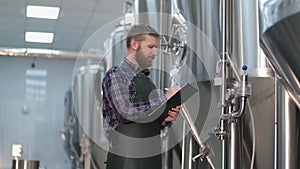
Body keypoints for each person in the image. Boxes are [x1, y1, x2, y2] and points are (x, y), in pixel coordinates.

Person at [101, 24, 181, 169]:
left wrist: (165, 118)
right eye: (150, 47)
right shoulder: (116, 75)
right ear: (134, 44)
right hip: (126, 162)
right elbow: (126, 111)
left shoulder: (148, 81)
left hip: (151, 160)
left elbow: (148, 119)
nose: (155, 53)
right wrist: (164, 99)